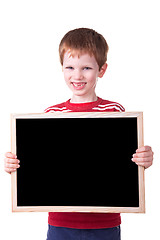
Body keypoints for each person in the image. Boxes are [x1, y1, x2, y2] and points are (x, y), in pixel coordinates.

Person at [4, 28, 153, 240]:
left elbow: (127, 162)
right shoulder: (51, 116)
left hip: (105, 222)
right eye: (70, 67)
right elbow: (39, 165)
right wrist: (13, 166)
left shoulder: (115, 112)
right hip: (61, 222)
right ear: (62, 68)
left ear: (101, 70)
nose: (77, 75)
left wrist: (144, 158)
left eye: (86, 68)